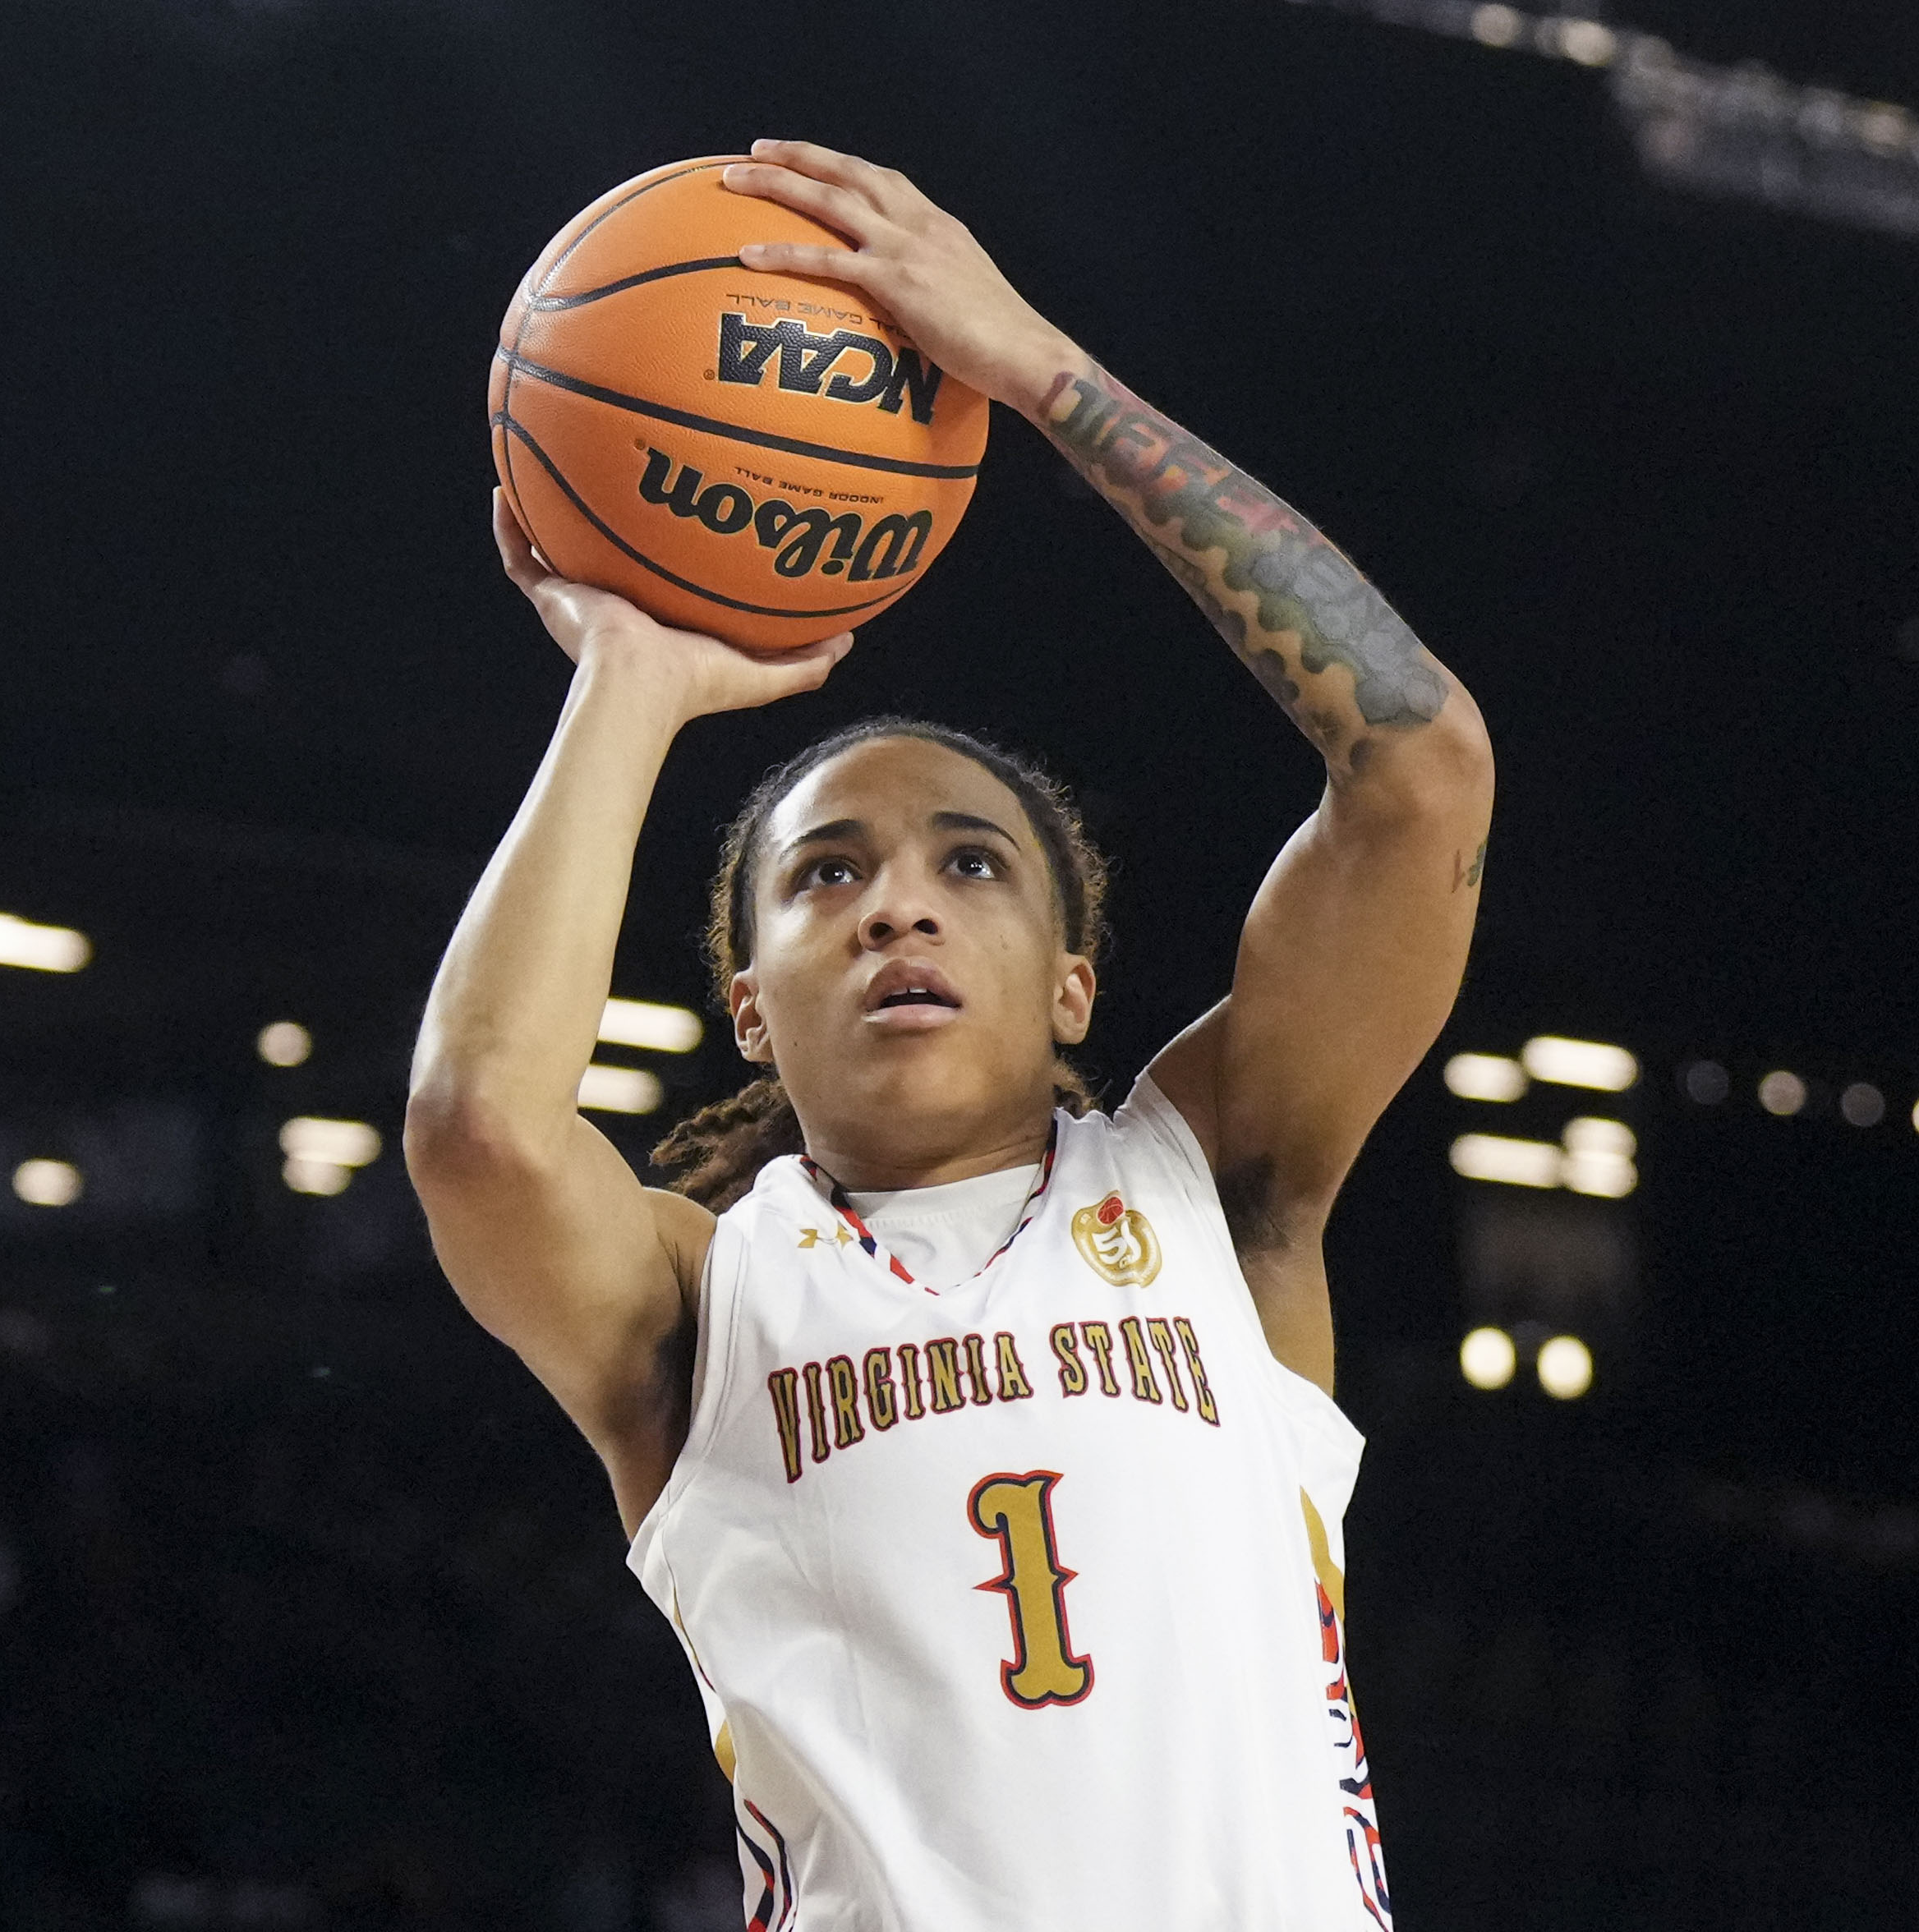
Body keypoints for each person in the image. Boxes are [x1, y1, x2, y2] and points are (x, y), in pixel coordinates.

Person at [409, 140, 1493, 1930]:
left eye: (968, 865)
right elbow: (479, 1129)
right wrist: (631, 681)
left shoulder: (1216, 1191)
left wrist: (1043, 377)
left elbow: (1418, 770)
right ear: (749, 1012)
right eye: (824, 875)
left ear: (1074, 983)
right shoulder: (701, 1305)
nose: (895, 907)